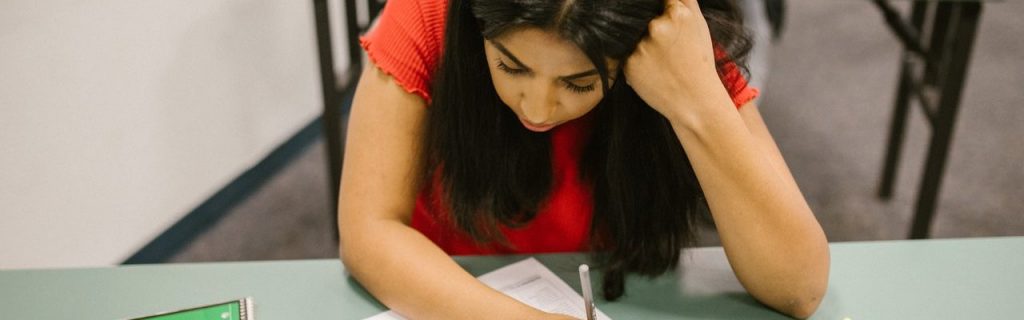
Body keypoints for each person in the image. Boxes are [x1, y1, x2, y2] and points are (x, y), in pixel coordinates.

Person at [338, 0, 830, 318]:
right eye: (510, 66)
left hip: (613, 278)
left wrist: (697, 101)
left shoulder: (674, 42)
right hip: (440, 282)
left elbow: (799, 287)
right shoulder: (428, 13)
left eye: (579, 83)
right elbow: (369, 232)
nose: (537, 108)